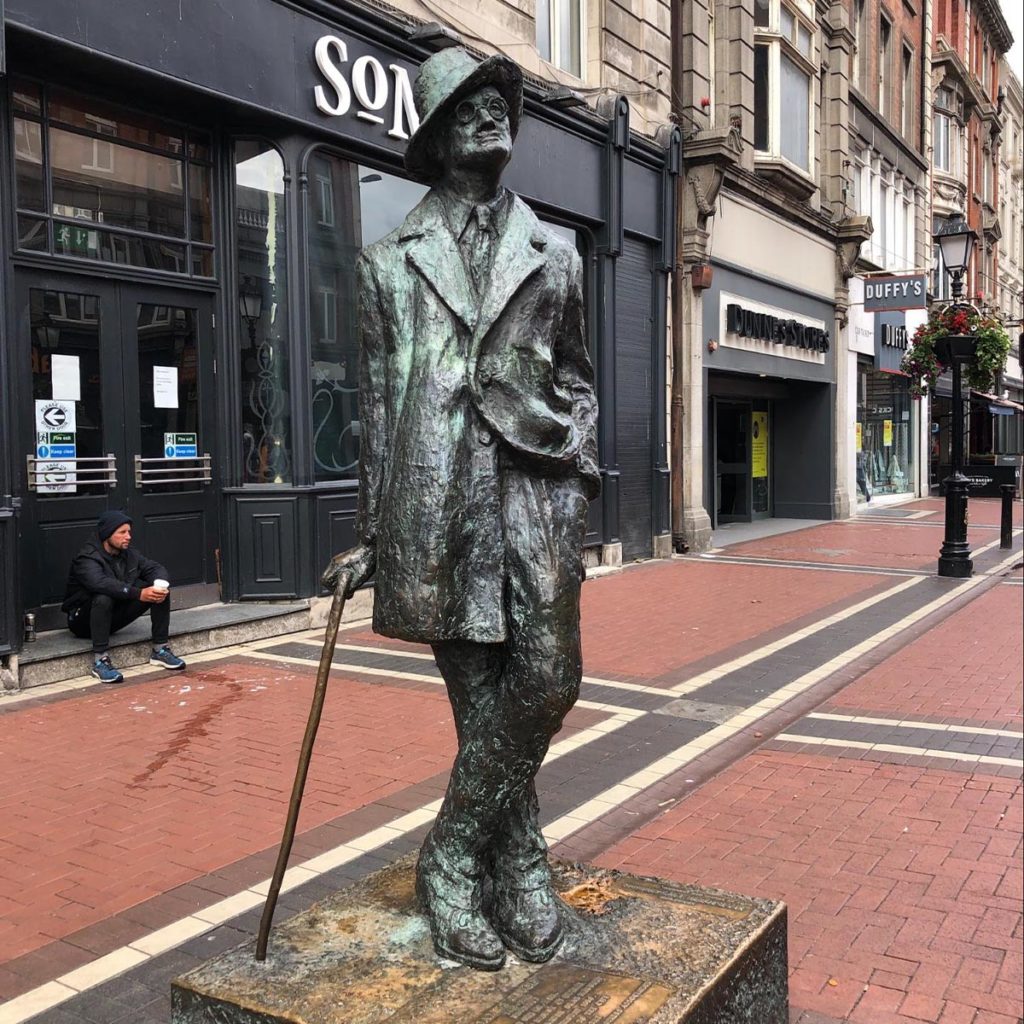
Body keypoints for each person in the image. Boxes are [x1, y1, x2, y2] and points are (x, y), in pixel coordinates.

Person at [322, 47, 598, 970]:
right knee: (481, 698)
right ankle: (517, 865)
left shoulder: (554, 253)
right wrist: (372, 533)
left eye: (500, 101)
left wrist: (577, 466)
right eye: (468, 104)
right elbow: (374, 406)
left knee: (552, 677)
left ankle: (448, 855)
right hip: (436, 504)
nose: (491, 113)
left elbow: (578, 379)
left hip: (535, 494)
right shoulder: (388, 263)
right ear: (437, 137)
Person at [62, 511, 186, 683]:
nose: (128, 536)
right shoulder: (87, 558)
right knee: (104, 596)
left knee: (157, 591)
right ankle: (100, 661)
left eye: (129, 532)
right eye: (122, 532)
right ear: (107, 534)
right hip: (82, 621)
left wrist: (160, 584)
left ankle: (160, 649)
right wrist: (138, 594)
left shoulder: (128, 554)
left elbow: (154, 567)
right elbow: (100, 583)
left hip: (112, 617)